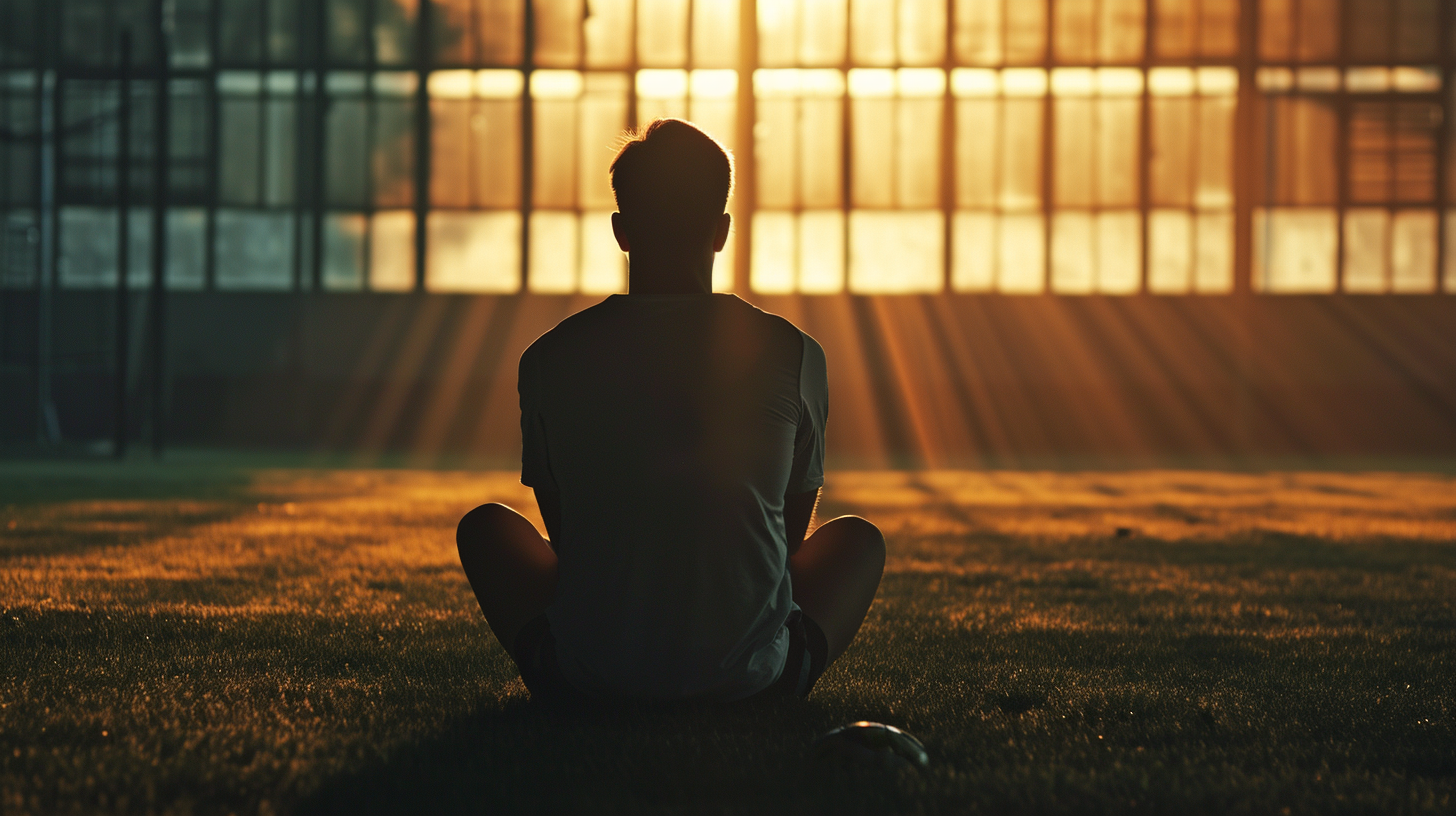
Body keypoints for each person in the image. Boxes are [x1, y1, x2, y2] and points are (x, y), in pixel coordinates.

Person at [456, 118, 884, 703]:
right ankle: (767, 667)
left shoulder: (549, 358)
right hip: (749, 680)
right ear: (722, 231)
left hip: (591, 678)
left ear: (622, 231)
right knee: (857, 542)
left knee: (485, 527)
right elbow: (784, 536)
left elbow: (569, 534)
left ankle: (579, 664)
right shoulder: (792, 353)